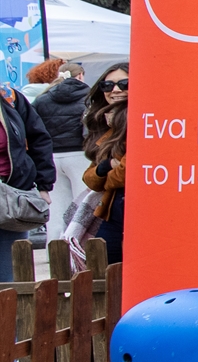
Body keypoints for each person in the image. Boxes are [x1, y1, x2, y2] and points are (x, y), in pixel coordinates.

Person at [0, 71, 54, 251]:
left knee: (11, 263)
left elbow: (39, 139)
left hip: (12, 194)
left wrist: (43, 185)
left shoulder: (9, 97)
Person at [79, 66, 125, 263]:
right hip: (112, 210)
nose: (115, 90)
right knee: (105, 270)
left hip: (140, 209)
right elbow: (90, 179)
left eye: (124, 84)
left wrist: (106, 179)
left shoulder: (145, 121)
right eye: (108, 85)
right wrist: (106, 166)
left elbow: (127, 172)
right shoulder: (107, 126)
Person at [37, 62, 88, 230]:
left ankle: (54, 246)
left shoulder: (42, 98)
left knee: (56, 213)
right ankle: (82, 246)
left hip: (51, 157)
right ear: (80, 75)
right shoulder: (89, 96)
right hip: (80, 155)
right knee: (84, 210)